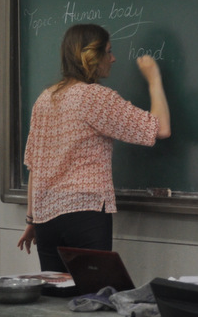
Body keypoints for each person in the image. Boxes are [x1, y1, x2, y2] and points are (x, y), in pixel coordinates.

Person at [17, 23, 171, 272]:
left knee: (55, 294)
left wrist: (31, 219)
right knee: (93, 292)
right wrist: (154, 79)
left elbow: (35, 166)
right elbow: (160, 128)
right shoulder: (94, 97)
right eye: (108, 52)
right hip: (85, 214)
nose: (113, 58)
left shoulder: (44, 99)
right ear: (91, 56)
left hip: (46, 220)